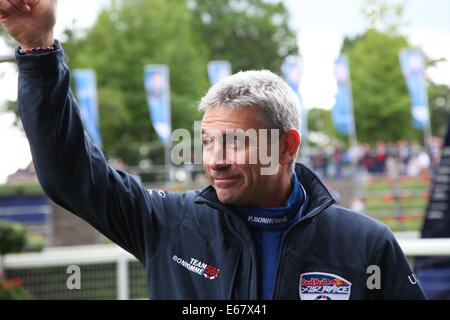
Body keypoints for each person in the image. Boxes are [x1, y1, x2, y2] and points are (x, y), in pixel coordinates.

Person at [0, 0, 426, 300]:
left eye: (236, 142)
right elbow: (68, 174)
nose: (214, 159)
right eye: (206, 141)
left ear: (285, 146)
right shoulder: (168, 222)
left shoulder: (366, 243)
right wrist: (38, 48)